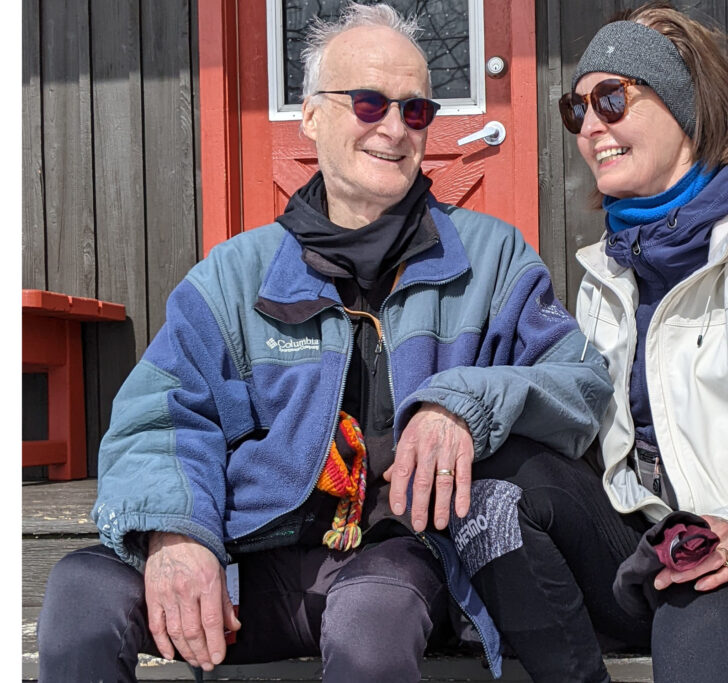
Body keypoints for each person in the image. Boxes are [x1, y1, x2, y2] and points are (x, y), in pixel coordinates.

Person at [35, 4, 613, 682]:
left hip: (395, 555)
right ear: (311, 115)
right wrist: (174, 533)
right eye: (369, 103)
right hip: (245, 553)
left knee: (374, 625)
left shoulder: (492, 260)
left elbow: (581, 383)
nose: (395, 128)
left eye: (416, 110)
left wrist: (466, 402)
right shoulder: (232, 275)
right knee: (80, 594)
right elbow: (159, 418)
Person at [458, 3, 728, 682]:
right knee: (500, 490)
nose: (592, 127)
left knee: (701, 614)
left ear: (687, 110)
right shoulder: (608, 272)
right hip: (665, 553)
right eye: (576, 110)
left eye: (613, 99)